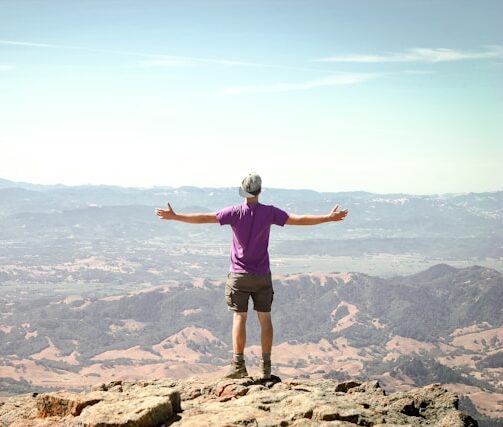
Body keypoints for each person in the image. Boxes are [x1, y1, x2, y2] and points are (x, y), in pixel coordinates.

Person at [155, 173, 348, 379]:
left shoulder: (235, 212)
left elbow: (204, 218)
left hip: (238, 275)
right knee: (265, 319)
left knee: (239, 317)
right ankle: (265, 368)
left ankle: (238, 365)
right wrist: (328, 218)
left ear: (242, 191)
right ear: (259, 190)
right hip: (262, 275)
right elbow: (298, 220)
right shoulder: (269, 213)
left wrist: (175, 216)